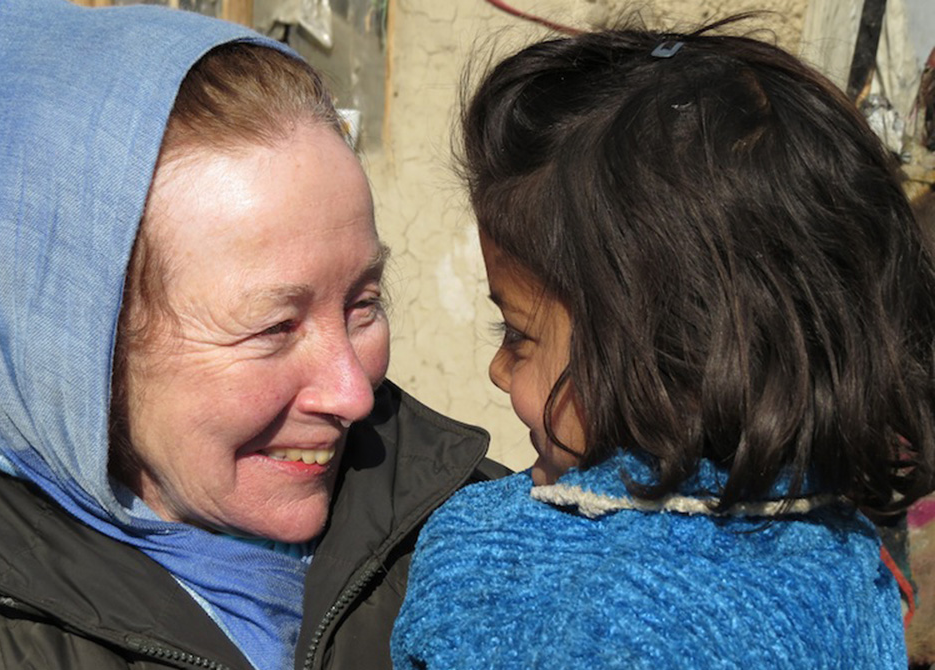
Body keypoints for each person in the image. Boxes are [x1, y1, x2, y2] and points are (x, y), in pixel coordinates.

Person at [0, 1, 504, 669]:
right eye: (274, 327)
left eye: (364, 303)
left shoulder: (502, 552)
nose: (352, 394)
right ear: (67, 358)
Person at [391, 18, 935, 669]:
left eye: (518, 334)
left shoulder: (491, 562)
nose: (498, 370)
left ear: (663, 350)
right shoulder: (841, 555)